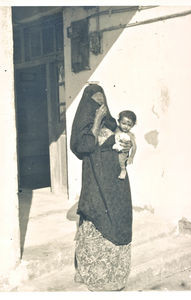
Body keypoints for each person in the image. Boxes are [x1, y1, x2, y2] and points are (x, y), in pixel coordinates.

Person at [70, 84, 133, 291]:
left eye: (102, 101)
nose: (100, 106)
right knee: (97, 217)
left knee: (118, 218)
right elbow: (85, 147)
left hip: (116, 183)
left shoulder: (112, 122)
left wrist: (128, 146)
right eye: (95, 103)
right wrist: (96, 121)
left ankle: (115, 275)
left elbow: (124, 139)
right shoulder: (85, 126)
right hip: (96, 181)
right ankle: (95, 274)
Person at [113, 110, 137, 179]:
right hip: (114, 149)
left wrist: (131, 157)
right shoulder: (116, 129)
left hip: (122, 152)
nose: (126, 127)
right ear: (119, 122)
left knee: (121, 160)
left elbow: (134, 146)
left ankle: (123, 170)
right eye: (123, 123)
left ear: (133, 125)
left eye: (129, 125)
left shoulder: (130, 135)